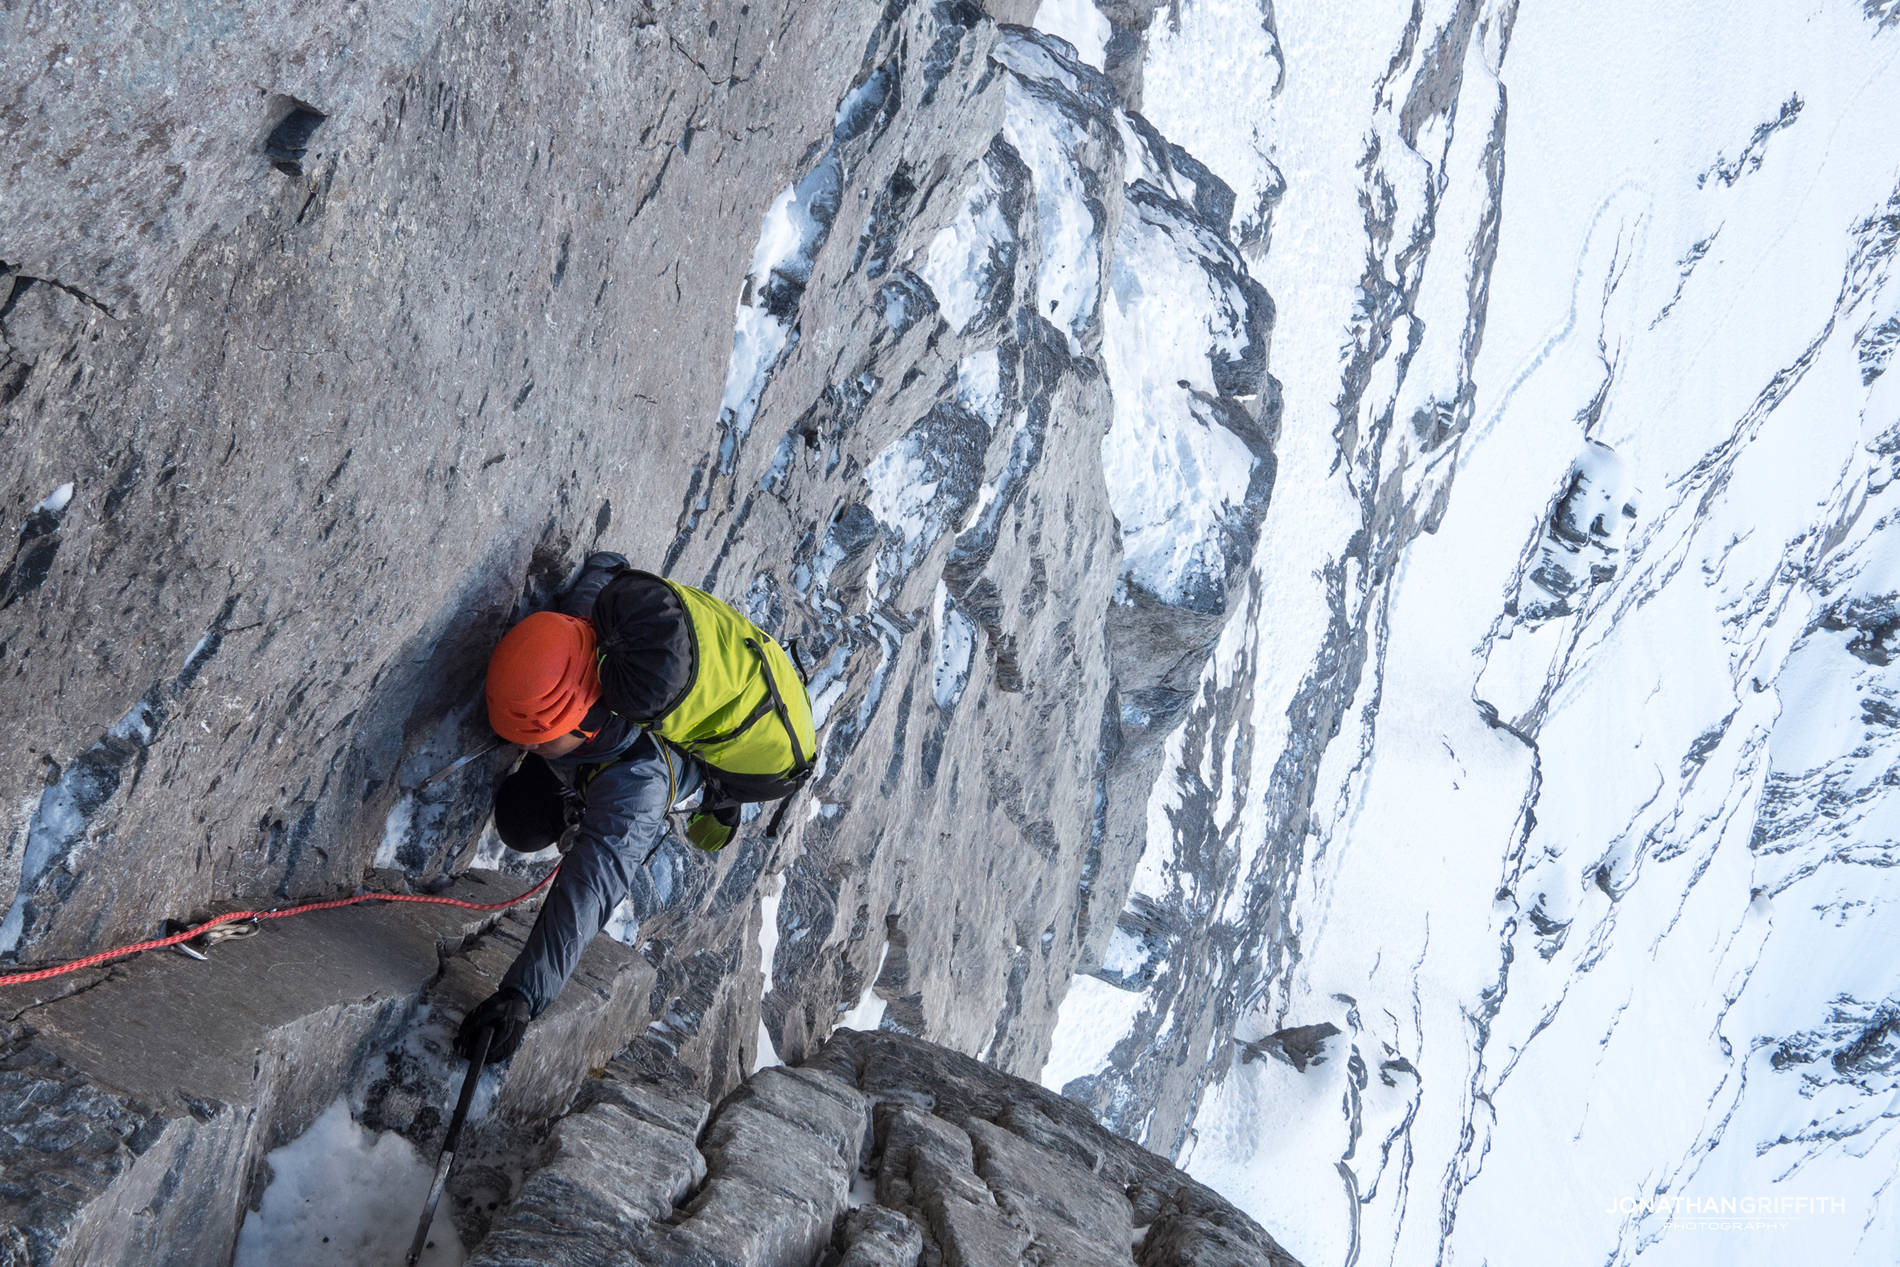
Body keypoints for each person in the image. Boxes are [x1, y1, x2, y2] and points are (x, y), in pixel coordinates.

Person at [454, 552, 713, 1062]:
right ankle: (565, 783)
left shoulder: (636, 787)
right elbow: (606, 569)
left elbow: (589, 888)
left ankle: (576, 798)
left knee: (525, 825)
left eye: (536, 742)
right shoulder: (578, 629)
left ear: (579, 727)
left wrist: (521, 997)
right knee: (522, 818)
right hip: (595, 756)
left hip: (638, 772)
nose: (526, 750)